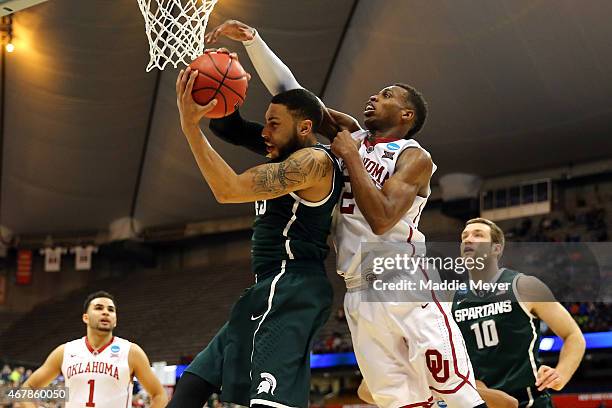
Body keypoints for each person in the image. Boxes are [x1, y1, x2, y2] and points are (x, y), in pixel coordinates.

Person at [205, 19, 487, 408]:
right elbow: (294, 95)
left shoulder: (413, 156)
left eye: (386, 95)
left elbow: (384, 217)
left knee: (457, 397)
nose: (374, 97)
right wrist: (254, 42)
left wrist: (351, 157)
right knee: (401, 402)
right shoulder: (350, 135)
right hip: (357, 290)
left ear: (406, 115)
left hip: (403, 281)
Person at [169, 69, 343, 408]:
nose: (264, 133)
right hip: (268, 285)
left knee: (269, 404)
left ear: (305, 128)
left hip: (293, 284)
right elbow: (229, 128)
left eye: (273, 124)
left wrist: (189, 127)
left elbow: (228, 189)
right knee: (193, 383)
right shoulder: (282, 148)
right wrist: (226, 89)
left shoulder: (312, 162)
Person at [454, 218, 586, 407]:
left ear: (496, 249)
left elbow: (573, 335)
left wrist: (561, 375)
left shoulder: (524, 286)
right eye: (464, 236)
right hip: (482, 402)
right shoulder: (453, 298)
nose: (468, 239)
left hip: (530, 401)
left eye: (478, 235)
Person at [19, 291, 167, 408]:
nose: (106, 312)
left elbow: (160, 395)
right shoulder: (65, 351)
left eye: (111, 310)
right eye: (98, 308)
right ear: (85, 318)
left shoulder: (131, 352)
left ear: (115, 320)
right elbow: (27, 388)